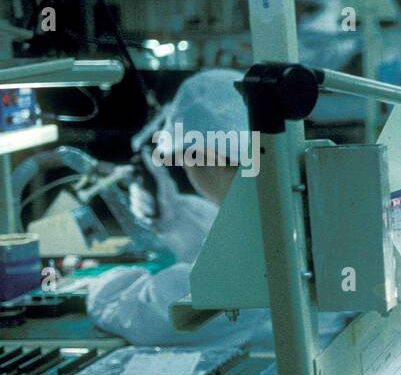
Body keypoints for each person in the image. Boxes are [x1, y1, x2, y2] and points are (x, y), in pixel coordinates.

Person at [89, 70, 349, 348]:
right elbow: (215, 238)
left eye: (184, 159)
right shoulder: (288, 203)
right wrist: (174, 216)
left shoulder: (257, 247)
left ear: (201, 156)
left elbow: (148, 318)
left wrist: (98, 287)